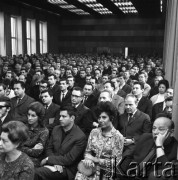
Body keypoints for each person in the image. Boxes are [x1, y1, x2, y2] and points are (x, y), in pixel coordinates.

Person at [75, 101, 124, 180]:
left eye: (104, 117)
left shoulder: (118, 137)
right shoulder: (94, 132)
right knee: (80, 176)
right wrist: (88, 159)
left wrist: (95, 159)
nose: (100, 120)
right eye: (99, 117)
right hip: (90, 168)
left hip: (106, 172)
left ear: (111, 118)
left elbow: (115, 162)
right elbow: (87, 151)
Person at [34, 106, 86, 180]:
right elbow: (49, 148)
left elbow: (69, 159)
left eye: (64, 116)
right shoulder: (56, 129)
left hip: (67, 169)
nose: (60, 119)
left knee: (37, 173)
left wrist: (48, 159)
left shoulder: (80, 136)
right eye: (60, 116)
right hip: (53, 164)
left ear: (72, 118)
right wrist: (54, 162)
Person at [20, 102, 49, 167]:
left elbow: (37, 153)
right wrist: (30, 149)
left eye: (33, 116)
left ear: (39, 117)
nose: (29, 118)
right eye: (28, 114)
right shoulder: (23, 127)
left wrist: (23, 148)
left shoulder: (44, 131)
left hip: (34, 160)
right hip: (20, 155)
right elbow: (17, 146)